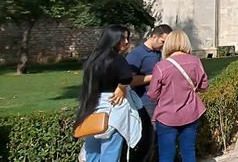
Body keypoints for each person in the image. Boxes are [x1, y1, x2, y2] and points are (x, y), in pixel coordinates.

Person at [75, 25, 142, 162]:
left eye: (127, 38)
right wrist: (122, 87)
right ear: (113, 38)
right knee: (110, 152)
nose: (126, 42)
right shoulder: (116, 59)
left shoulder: (92, 59)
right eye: (122, 38)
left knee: (92, 153)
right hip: (113, 109)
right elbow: (127, 77)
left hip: (92, 109)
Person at [147, 30, 208, 162]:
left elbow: (152, 94)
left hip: (166, 115)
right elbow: (204, 86)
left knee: (166, 155)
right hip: (190, 113)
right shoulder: (195, 62)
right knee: (188, 152)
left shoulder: (161, 66)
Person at [127, 24, 173, 118]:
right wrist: (154, 77)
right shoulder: (137, 54)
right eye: (163, 42)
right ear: (154, 37)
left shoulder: (159, 53)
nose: (164, 45)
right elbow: (128, 79)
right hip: (144, 103)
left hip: (161, 101)